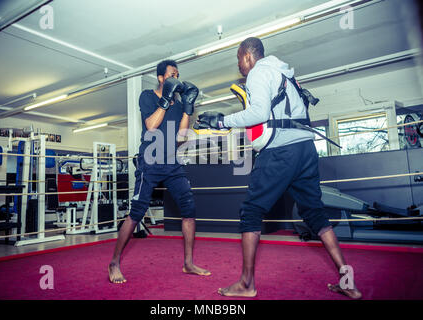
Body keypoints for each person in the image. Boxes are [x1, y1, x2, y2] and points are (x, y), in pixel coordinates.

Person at [197, 37, 362, 299]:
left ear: (248, 56)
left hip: (280, 151)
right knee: (316, 214)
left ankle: (246, 284)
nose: (238, 64)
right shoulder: (284, 73)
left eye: (238, 58)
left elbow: (259, 114)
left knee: (251, 210)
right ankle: (348, 282)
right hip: (306, 148)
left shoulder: (258, 73)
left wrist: (222, 122)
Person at [108, 60, 211, 283]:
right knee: (137, 213)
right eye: (172, 74)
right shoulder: (147, 96)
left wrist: (187, 107)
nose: (177, 77)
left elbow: (181, 135)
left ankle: (188, 263)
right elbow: (151, 126)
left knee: (189, 208)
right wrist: (165, 100)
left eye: (178, 74)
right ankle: (114, 262)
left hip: (173, 162)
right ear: (161, 78)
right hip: (150, 162)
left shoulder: (176, 103)